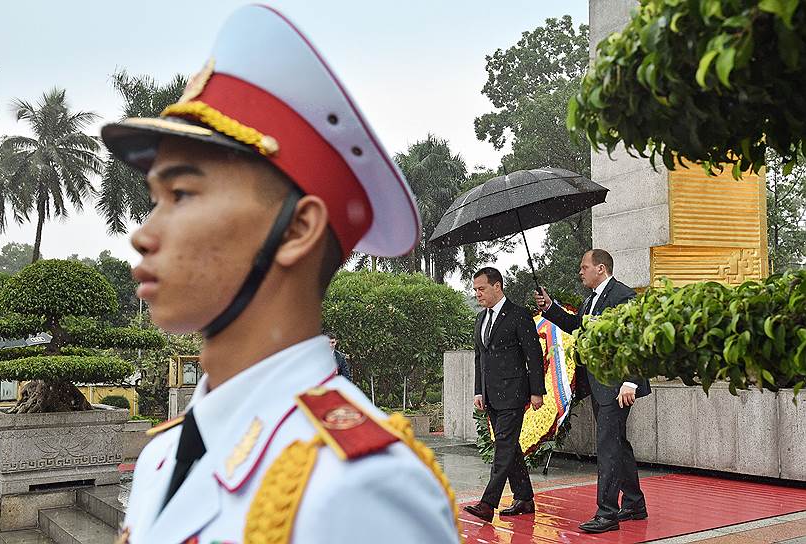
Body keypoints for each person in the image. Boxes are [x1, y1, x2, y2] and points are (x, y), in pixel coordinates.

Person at [101, 5, 460, 543]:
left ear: (296, 229)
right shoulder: (163, 455)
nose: (142, 235)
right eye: (155, 199)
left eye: (181, 194)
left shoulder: (359, 486)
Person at [535, 249, 650, 534]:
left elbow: (637, 338)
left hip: (617, 384)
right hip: (602, 385)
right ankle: (634, 504)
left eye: (584, 267)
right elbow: (576, 326)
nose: (580, 271)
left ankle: (607, 514)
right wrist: (550, 307)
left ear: (601, 268)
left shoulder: (622, 296)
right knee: (617, 444)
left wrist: (631, 381)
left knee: (609, 447)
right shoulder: (593, 300)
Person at [463, 267, 546, 523]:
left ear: (497, 286)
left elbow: (533, 356)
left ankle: (488, 503)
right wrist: (479, 390)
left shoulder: (519, 315)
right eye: (475, 290)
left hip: (514, 393)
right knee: (510, 447)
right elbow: (480, 358)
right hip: (491, 395)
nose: (477, 294)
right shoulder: (480, 319)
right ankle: (524, 498)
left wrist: (536, 391)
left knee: (503, 446)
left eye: (482, 289)